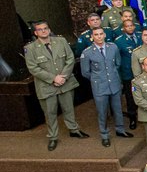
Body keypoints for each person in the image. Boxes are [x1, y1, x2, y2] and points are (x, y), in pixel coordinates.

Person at [24, 21, 89, 151]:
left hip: (65, 82)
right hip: (47, 86)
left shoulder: (61, 41)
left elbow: (70, 59)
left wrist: (63, 76)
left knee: (69, 108)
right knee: (50, 112)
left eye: (46, 28)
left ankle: (73, 129)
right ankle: (53, 137)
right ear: (36, 33)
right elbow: (33, 68)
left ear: (49, 29)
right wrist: (53, 78)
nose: (44, 31)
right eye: (40, 30)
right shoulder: (30, 48)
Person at [80, 27, 132, 147]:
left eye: (101, 34)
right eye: (96, 35)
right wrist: (97, 79)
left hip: (114, 83)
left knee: (118, 108)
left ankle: (120, 130)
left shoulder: (112, 47)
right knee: (102, 111)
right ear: (92, 37)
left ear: (104, 35)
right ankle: (104, 134)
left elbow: (117, 63)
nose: (99, 36)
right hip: (100, 86)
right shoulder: (87, 52)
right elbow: (85, 72)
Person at [113, 19, 142, 130]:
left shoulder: (141, 36)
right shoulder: (119, 41)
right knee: (130, 97)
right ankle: (132, 117)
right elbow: (117, 59)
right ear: (123, 28)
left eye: (132, 26)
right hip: (128, 74)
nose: (130, 28)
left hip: (143, 72)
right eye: (127, 26)